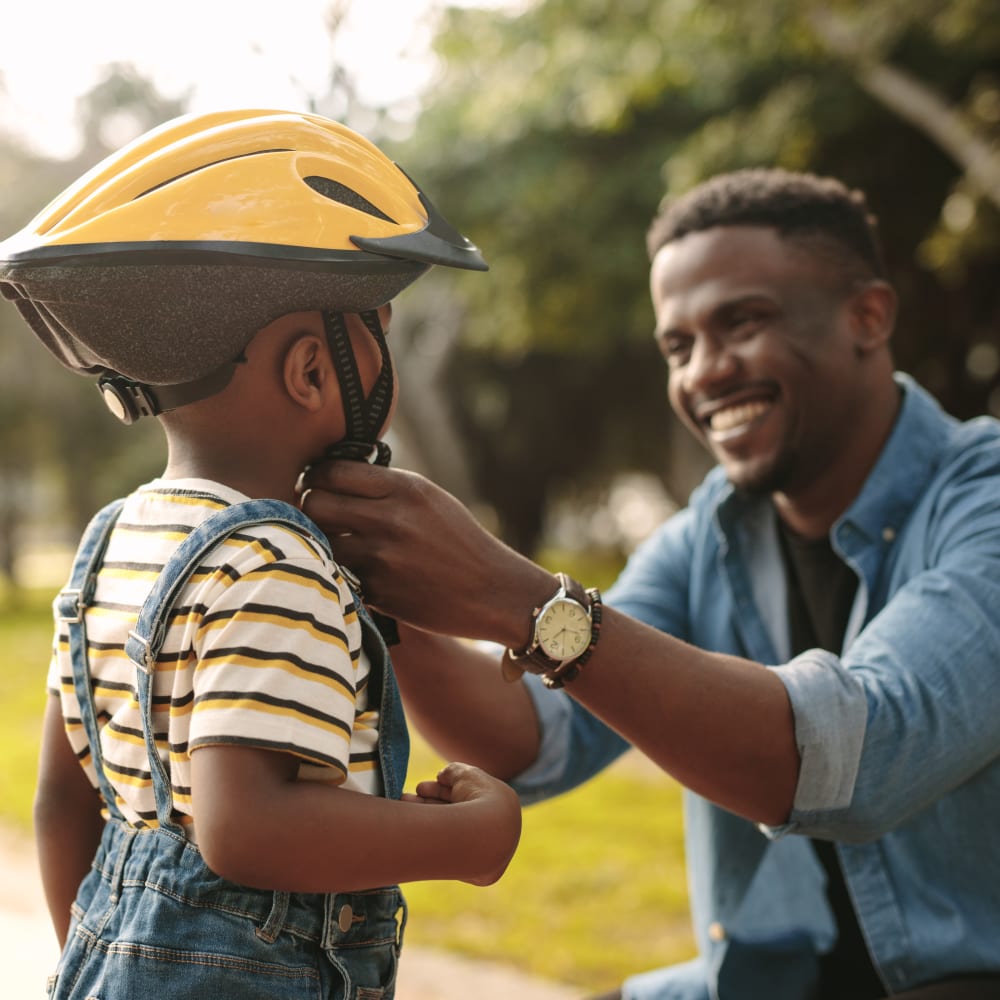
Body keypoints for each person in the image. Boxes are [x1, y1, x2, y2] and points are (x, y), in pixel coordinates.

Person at [296, 168, 1000, 999]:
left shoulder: (981, 503)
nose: (706, 371)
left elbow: (861, 757)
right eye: (679, 345)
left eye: (743, 322)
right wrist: (383, 581)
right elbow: (529, 737)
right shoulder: (713, 532)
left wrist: (514, 597)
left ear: (868, 316)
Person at [0, 109, 521, 999]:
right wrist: (477, 838)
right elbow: (248, 831)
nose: (386, 351)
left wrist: (100, 963)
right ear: (313, 372)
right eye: (379, 327)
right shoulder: (275, 560)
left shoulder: (110, 542)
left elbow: (61, 801)